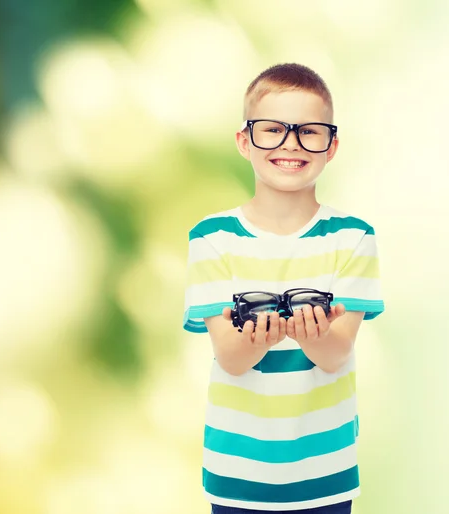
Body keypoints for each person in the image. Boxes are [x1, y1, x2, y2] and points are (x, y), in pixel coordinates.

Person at [183, 63, 385, 513]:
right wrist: (264, 337)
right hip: (237, 475)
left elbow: (336, 355)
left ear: (331, 145)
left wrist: (315, 336)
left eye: (309, 132)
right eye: (273, 129)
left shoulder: (353, 237)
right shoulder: (211, 239)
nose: (291, 144)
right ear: (244, 140)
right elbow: (231, 359)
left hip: (325, 476)